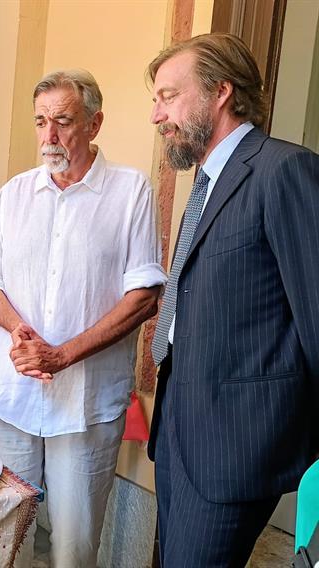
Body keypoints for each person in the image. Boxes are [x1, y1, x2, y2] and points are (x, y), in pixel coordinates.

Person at [0, 69, 166, 567]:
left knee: (73, 549)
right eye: (41, 122)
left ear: (94, 123)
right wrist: (17, 329)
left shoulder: (129, 192)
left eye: (63, 121)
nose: (49, 136)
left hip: (83, 405)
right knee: (4, 540)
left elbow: (144, 295)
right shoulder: (14, 193)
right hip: (14, 401)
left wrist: (61, 355)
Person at [147, 33, 319, 566]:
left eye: (169, 96)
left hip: (234, 444)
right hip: (177, 424)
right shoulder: (207, 182)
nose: (157, 115)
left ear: (221, 91)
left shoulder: (284, 170)